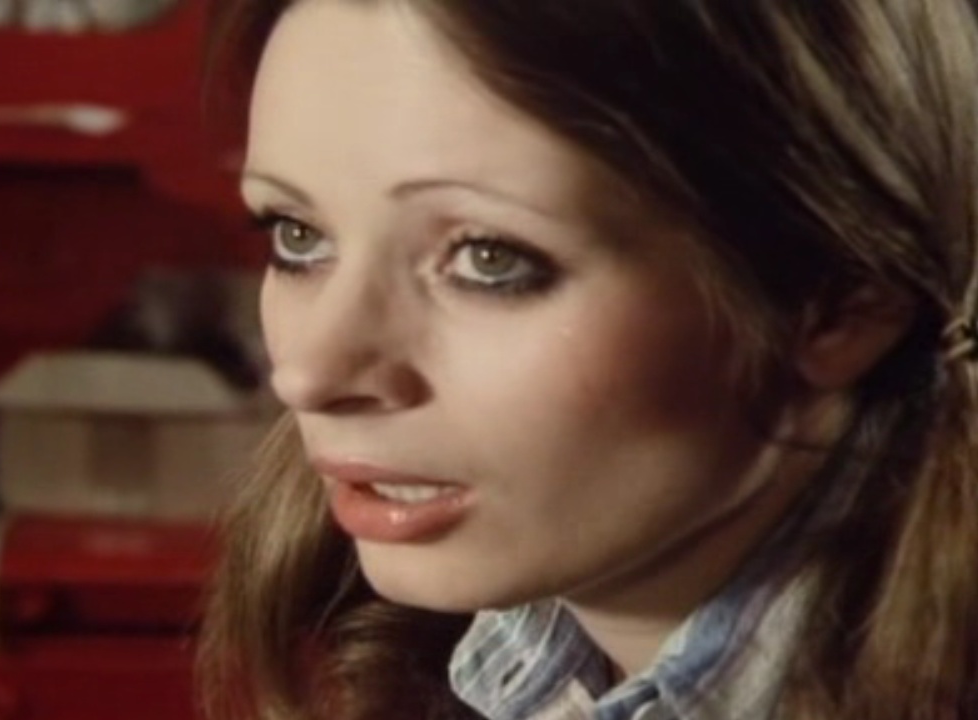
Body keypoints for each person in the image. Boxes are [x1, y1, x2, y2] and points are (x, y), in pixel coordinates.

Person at [196, 1, 978, 718]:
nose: (308, 373)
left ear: (842, 304)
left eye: (489, 258)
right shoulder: (438, 660)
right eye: (297, 236)